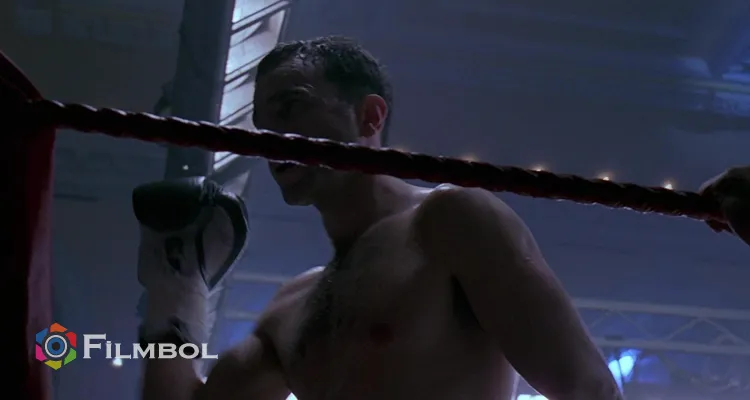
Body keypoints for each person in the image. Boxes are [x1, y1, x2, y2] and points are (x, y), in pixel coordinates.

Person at [133, 35, 749, 400]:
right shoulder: (290, 306)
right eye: (263, 125)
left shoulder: (451, 222)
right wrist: (175, 288)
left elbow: (589, 391)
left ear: (370, 117)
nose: (272, 139)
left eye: (292, 107)